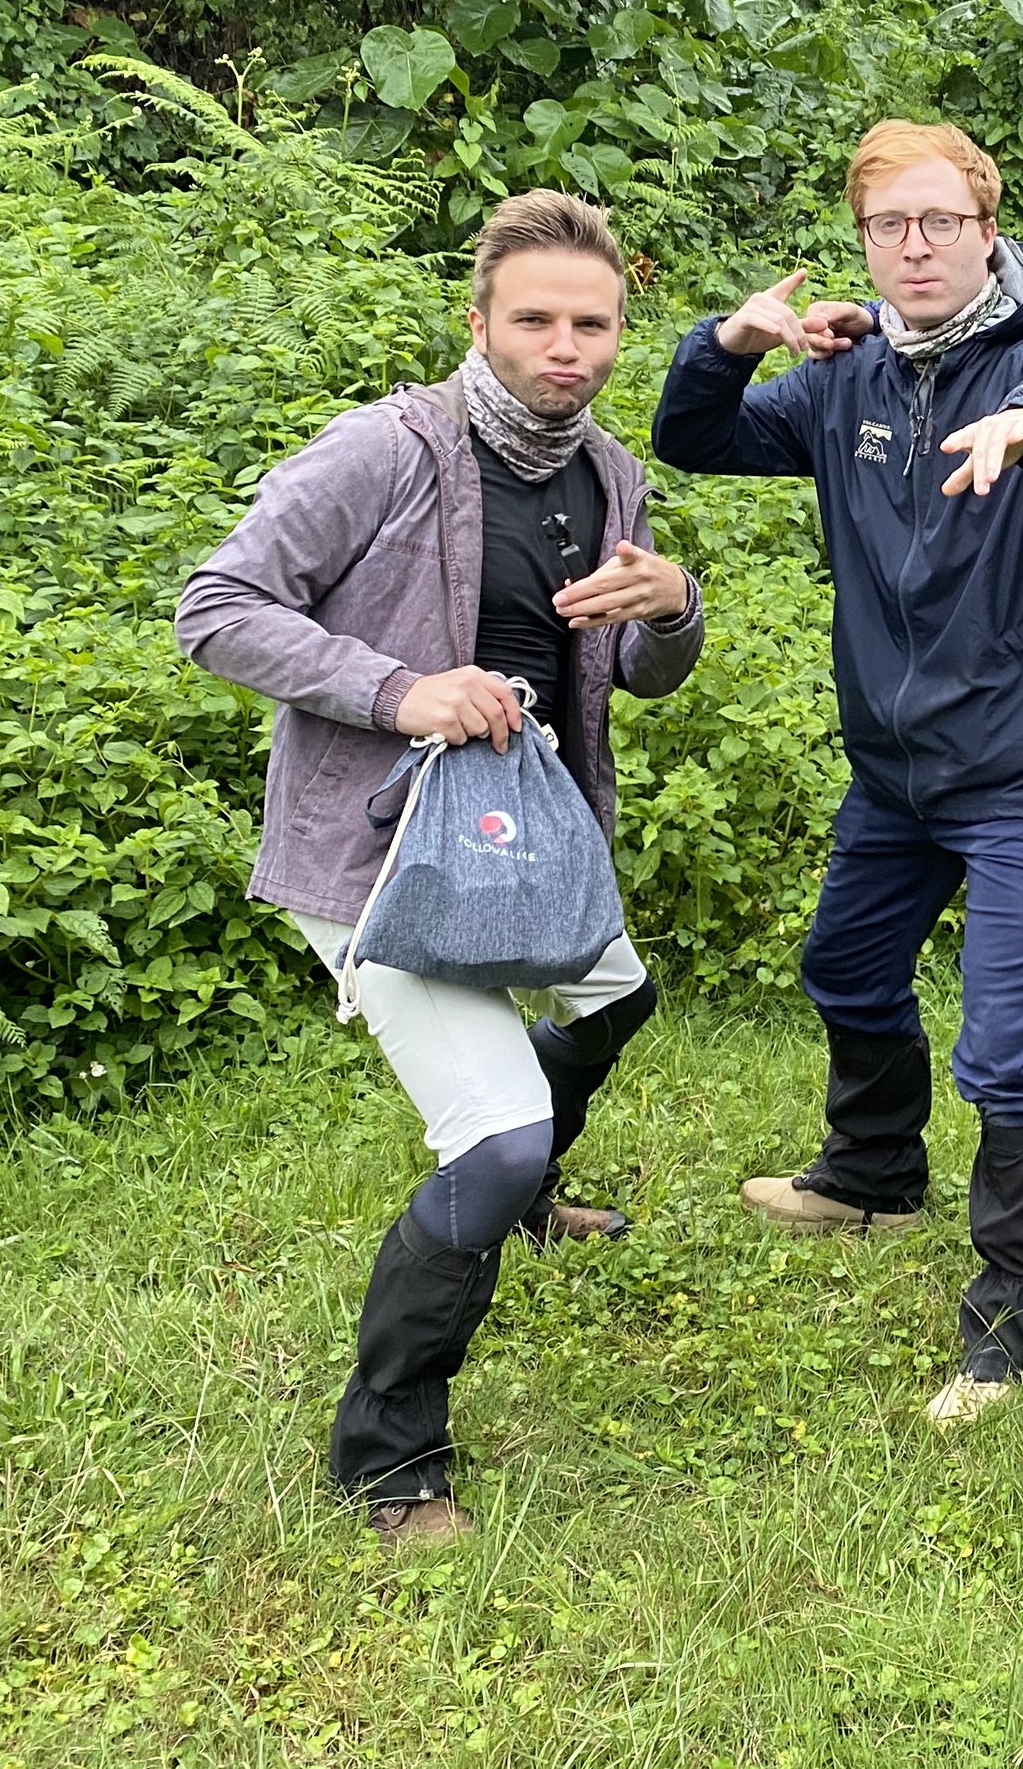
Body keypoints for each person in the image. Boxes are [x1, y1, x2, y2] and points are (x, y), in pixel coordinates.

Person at [175, 190, 705, 1548]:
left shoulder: (609, 473)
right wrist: (399, 689)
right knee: (498, 1132)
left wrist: (674, 608)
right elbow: (217, 607)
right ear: (478, 323)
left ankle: (518, 1209)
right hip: (380, 854)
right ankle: (388, 1455)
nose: (564, 347)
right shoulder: (387, 449)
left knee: (619, 996)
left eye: (592, 324)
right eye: (534, 320)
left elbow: (637, 673)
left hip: (521, 838)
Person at [651, 119, 1023, 1424]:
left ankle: (1021, 1309)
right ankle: (873, 1174)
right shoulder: (843, 380)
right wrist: (729, 343)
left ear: (987, 227)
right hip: (896, 769)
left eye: (939, 221)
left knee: (1007, 1045)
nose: (914, 246)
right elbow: (694, 434)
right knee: (846, 965)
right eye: (887, 226)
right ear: (863, 241)